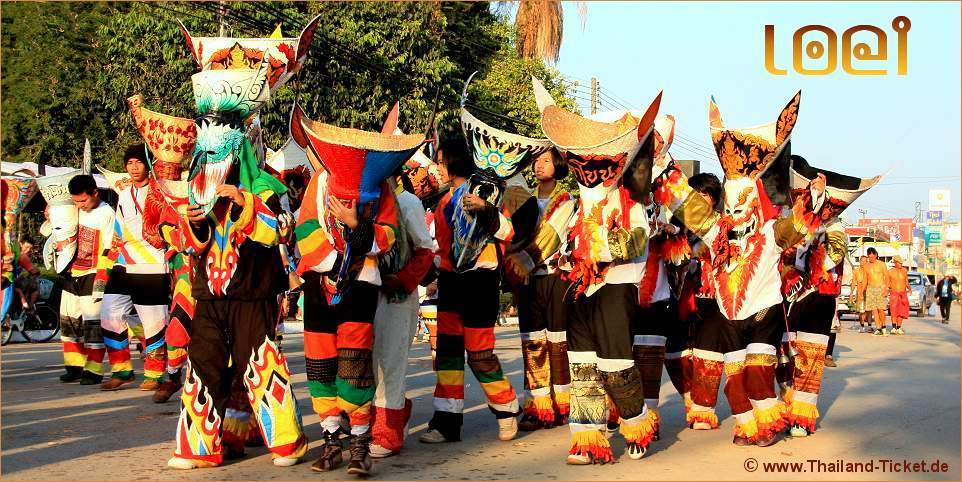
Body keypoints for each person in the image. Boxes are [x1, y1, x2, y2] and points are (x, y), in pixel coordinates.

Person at [654, 92, 827, 447]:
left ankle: (768, 424)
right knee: (734, 380)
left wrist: (815, 198)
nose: (734, 209)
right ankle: (748, 426)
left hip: (763, 313)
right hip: (728, 314)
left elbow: (799, 226)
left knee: (759, 373)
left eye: (742, 202)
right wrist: (660, 163)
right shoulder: (717, 230)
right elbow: (683, 203)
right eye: (730, 203)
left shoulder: (769, 231)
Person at [533, 78, 661, 463]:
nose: (589, 169)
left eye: (596, 162)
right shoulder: (570, 206)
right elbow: (541, 246)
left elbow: (636, 242)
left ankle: (637, 422)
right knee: (583, 368)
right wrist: (493, 222)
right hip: (578, 293)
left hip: (615, 291)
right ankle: (587, 439)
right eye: (581, 161)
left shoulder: (630, 204)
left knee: (617, 367)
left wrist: (595, 251)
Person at [293, 103, 421, 476]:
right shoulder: (318, 183)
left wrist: (355, 226)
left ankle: (359, 446)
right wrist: (335, 265)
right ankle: (332, 441)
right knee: (319, 367)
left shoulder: (380, 189)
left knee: (355, 368)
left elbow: (389, 236)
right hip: (320, 286)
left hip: (362, 286)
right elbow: (306, 229)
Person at [419, 133, 522, 445]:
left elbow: (507, 231)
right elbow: (440, 247)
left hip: (479, 282)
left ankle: (506, 409)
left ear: (454, 163)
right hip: (451, 283)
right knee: (448, 355)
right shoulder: (443, 202)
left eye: (439, 163)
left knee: (479, 353)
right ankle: (447, 423)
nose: (435, 169)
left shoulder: (483, 192)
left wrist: (485, 209)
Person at [777, 155, 878, 438]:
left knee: (809, 357)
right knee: (783, 356)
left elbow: (832, 257)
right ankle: (788, 404)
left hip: (817, 296)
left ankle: (802, 417)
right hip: (785, 296)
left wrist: (802, 265)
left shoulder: (835, 228)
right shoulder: (789, 218)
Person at [369, 174, 436, 458]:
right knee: (369, 364)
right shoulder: (368, 200)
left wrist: (402, 280)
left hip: (396, 294)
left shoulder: (408, 202)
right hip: (367, 292)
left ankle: (387, 434)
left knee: (390, 364)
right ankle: (386, 419)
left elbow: (425, 249)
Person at [509, 148, 576, 432]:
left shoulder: (566, 200)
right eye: (537, 160)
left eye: (546, 160)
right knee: (532, 342)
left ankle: (562, 405)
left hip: (555, 276)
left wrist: (517, 259)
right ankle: (537, 407)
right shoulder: (523, 197)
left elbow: (551, 236)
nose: (538, 165)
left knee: (558, 342)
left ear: (558, 164)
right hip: (529, 279)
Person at [97, 144, 173, 391]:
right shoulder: (125, 193)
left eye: (138, 162)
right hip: (123, 264)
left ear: (148, 164)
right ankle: (121, 370)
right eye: (129, 163)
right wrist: (107, 264)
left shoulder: (161, 191)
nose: (133, 167)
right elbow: (118, 231)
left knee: (154, 322)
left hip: (152, 264)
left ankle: (155, 373)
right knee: (110, 315)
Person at [678, 173, 726, 431]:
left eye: (705, 195)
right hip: (682, 297)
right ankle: (690, 399)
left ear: (715, 199)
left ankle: (704, 410)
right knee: (679, 353)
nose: (700, 199)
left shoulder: (722, 225)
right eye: (695, 194)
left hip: (713, 297)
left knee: (709, 353)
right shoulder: (679, 227)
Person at [59, 174, 115, 385]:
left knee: (92, 323)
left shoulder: (106, 213)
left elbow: (110, 247)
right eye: (76, 201)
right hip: (70, 272)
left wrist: (103, 276)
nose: (80, 205)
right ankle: (74, 365)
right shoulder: (72, 210)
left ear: (95, 193)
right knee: (68, 320)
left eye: (83, 200)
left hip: (93, 273)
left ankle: (94, 369)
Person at [862, 248, 889, 336]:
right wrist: (862, 292)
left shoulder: (881, 264)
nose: (871, 258)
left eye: (873, 256)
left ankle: (884, 327)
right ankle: (878, 328)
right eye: (869, 257)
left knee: (880, 309)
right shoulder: (866, 266)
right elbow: (865, 279)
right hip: (870, 289)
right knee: (874, 310)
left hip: (880, 288)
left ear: (876, 255)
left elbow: (887, 277)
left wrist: (886, 289)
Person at [887, 256, 910, 334]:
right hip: (894, 293)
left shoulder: (904, 270)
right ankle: (893, 327)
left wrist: (909, 288)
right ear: (895, 263)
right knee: (894, 311)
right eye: (899, 263)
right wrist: (888, 289)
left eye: (901, 263)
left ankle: (898, 327)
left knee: (901, 311)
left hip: (903, 293)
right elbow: (887, 282)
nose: (901, 264)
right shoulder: (890, 271)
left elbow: (906, 281)